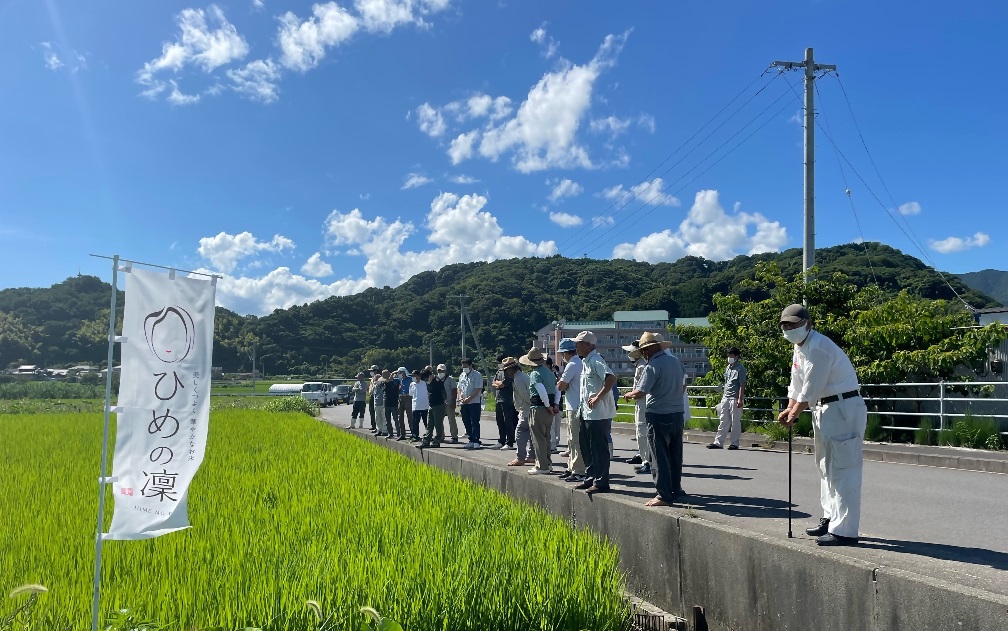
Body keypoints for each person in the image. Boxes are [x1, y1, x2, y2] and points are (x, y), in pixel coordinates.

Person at [777, 303, 867, 547]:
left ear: (808, 324)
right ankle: (830, 518)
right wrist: (789, 407)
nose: (789, 329)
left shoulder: (819, 347)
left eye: (794, 324)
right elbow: (796, 385)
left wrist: (794, 413)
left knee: (844, 469)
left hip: (842, 408)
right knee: (826, 469)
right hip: (824, 409)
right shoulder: (801, 348)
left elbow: (811, 387)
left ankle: (845, 531)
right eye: (785, 325)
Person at [624, 332, 685, 507]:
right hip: (677, 413)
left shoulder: (652, 366)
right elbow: (682, 384)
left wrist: (629, 394)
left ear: (649, 349)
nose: (643, 355)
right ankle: (675, 489)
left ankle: (663, 495)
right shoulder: (675, 362)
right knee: (675, 455)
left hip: (658, 414)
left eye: (643, 351)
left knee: (659, 457)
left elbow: (641, 391)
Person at [571, 331, 617, 493]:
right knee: (586, 447)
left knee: (598, 448)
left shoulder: (596, 360)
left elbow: (611, 378)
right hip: (586, 412)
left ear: (587, 345)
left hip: (598, 413)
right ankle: (590, 477)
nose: (575, 346)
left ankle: (601, 481)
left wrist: (598, 397)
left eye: (578, 343)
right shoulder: (585, 362)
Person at [520, 346, 558, 474]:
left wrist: (547, 405)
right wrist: (554, 405)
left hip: (539, 408)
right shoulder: (549, 372)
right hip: (550, 408)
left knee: (538, 437)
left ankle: (542, 466)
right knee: (546, 436)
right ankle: (547, 463)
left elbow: (541, 390)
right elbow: (557, 389)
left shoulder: (535, 374)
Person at [555, 338, 586, 482]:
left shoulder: (572, 364)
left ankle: (578, 470)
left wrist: (561, 383)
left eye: (562, 353)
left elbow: (561, 386)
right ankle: (571, 467)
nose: (562, 356)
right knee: (572, 440)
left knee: (575, 439)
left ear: (567, 353)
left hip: (575, 406)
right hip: (575, 405)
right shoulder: (579, 363)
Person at [708, 347, 746, 451]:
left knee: (735, 421)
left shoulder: (740, 368)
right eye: (728, 356)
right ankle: (718, 442)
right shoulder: (728, 368)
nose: (729, 358)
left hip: (734, 397)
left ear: (737, 356)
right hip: (726, 397)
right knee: (723, 420)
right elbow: (726, 383)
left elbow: (742, 385)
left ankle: (734, 443)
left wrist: (740, 399)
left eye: (731, 356)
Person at [621, 341, 651, 475]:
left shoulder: (642, 367)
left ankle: (647, 462)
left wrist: (631, 394)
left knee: (642, 433)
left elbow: (641, 388)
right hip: (640, 402)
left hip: (643, 403)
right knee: (641, 432)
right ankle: (645, 459)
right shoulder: (641, 365)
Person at [504, 357, 535, 466]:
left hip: (526, 409)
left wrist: (531, 404)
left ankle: (520, 457)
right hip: (530, 409)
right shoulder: (523, 376)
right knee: (531, 433)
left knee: (520, 432)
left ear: (511, 370)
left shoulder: (518, 379)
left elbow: (525, 395)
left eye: (507, 370)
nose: (507, 373)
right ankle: (531, 456)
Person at [492, 353, 518, 450]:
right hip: (498, 398)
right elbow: (493, 383)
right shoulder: (499, 371)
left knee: (508, 421)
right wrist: (497, 383)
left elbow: (503, 384)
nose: (498, 364)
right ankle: (501, 440)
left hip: (507, 399)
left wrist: (497, 383)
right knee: (500, 421)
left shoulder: (508, 372)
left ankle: (510, 442)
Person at [457, 358, 483, 449]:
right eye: (463, 366)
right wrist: (460, 397)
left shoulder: (477, 375)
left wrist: (469, 398)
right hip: (464, 403)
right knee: (466, 421)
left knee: (474, 422)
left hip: (474, 402)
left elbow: (477, 389)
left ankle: (476, 441)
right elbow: (459, 388)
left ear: (470, 365)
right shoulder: (462, 375)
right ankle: (471, 439)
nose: (464, 368)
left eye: (466, 366)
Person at [419, 366, 447, 449]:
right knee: (429, 425)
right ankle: (426, 441)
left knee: (438, 424)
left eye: (426, 379)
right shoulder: (428, 383)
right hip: (431, 405)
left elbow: (444, 393)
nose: (425, 381)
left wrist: (445, 402)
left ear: (430, 376)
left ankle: (437, 440)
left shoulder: (438, 382)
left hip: (439, 406)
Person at [439, 363, 460, 444]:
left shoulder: (450, 379)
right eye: (439, 370)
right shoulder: (437, 379)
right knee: (439, 421)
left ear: (445, 371)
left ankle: (454, 436)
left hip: (449, 402)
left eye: (442, 370)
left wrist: (454, 402)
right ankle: (441, 436)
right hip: (440, 403)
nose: (440, 372)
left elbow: (454, 390)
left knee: (451, 420)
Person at [409, 369, 429, 442]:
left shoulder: (424, 383)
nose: (413, 377)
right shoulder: (411, 384)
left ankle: (428, 435)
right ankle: (415, 436)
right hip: (415, 406)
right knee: (415, 422)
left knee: (426, 422)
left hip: (424, 406)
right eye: (412, 376)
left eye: (414, 376)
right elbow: (411, 395)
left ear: (419, 376)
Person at [396, 367, 412, 441]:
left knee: (410, 417)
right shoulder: (400, 380)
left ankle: (413, 433)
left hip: (408, 398)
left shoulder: (410, 379)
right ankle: (403, 434)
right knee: (400, 417)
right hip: (400, 398)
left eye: (400, 373)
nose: (399, 374)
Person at [383, 369, 400, 439]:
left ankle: (399, 433)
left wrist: (392, 374)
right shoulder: (385, 383)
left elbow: (397, 388)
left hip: (394, 403)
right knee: (388, 420)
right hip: (386, 403)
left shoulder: (396, 382)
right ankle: (390, 433)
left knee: (396, 419)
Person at [372, 370, 387, 436]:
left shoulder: (383, 386)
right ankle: (379, 430)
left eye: (376, 379)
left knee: (384, 418)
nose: (375, 381)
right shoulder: (375, 386)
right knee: (377, 418)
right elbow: (373, 394)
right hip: (376, 403)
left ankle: (385, 431)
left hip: (382, 403)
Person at [367, 365, 379, 431]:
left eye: (372, 371)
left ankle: (377, 426)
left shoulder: (378, 378)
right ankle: (373, 425)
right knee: (371, 411)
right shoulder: (372, 378)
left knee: (376, 412)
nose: (370, 372)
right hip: (371, 395)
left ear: (375, 371)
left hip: (376, 395)